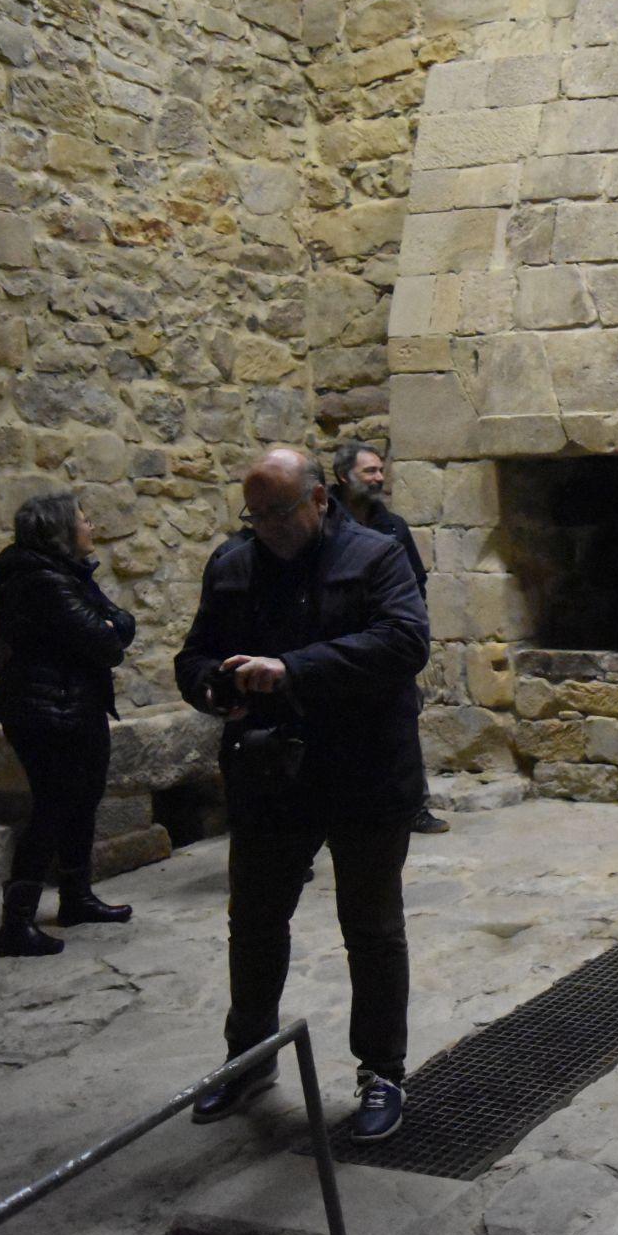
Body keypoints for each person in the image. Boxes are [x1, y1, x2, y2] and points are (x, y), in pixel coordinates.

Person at [175, 447, 429, 1143]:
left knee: (372, 930)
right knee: (254, 923)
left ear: (319, 499)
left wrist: (291, 669)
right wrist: (213, 686)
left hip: (365, 771)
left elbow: (405, 642)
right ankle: (249, 1057)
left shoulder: (377, 555)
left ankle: (382, 1072)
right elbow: (194, 655)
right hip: (270, 776)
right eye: (253, 515)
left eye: (278, 512)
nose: (265, 527)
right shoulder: (233, 563)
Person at [0, 494, 135, 956]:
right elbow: (106, 642)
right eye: (84, 521)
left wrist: (111, 627)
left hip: (71, 705)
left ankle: (76, 897)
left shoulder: (65, 574)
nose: (91, 526)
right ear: (60, 530)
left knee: (81, 801)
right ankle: (16, 923)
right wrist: (110, 629)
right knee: (53, 807)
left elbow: (121, 626)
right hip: (47, 709)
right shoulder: (42, 579)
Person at [331, 440, 446, 836]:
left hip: (386, 646)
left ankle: (413, 807)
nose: (379, 478)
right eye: (370, 472)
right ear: (344, 476)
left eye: (381, 470)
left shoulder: (392, 526)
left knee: (402, 730)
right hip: (338, 647)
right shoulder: (324, 523)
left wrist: (409, 629)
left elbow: (416, 582)